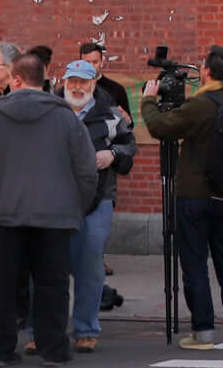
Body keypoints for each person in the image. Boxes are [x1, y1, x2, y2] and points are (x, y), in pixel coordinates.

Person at [0, 52, 97, 367]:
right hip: (55, 216)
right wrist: (75, 209)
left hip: (4, 214)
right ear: (44, 79)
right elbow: (87, 170)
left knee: (2, 286)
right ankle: (53, 349)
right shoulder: (66, 118)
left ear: (17, 79)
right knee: (53, 285)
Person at [143, 44, 223, 347]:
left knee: (194, 263)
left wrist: (149, 100)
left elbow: (159, 126)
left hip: (193, 195)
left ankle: (203, 331)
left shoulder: (200, 105)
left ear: (207, 72)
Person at [63, 58, 136, 353]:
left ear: (94, 83)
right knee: (47, 264)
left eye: (83, 81)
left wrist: (113, 154)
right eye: (72, 81)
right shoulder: (52, 111)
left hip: (99, 196)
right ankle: (40, 329)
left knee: (90, 263)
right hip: (56, 199)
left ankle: (85, 328)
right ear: (63, 82)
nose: (77, 87)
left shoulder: (110, 115)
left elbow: (129, 144)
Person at [78, 41, 135, 126]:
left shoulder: (117, 89)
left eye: (95, 62)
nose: (91, 67)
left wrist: (127, 121)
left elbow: (129, 125)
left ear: (101, 62)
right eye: (87, 62)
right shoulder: (72, 89)